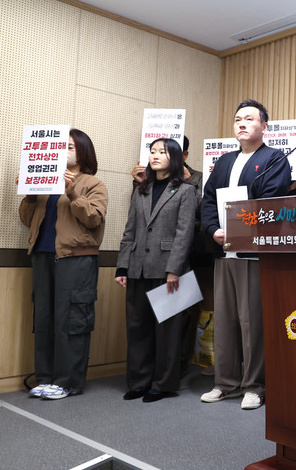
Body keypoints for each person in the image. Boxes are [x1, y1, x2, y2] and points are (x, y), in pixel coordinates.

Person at [199, 99, 290, 410]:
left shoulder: (274, 158)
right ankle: (225, 383)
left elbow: (271, 202)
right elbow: (208, 200)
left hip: (254, 253)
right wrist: (214, 229)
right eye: (238, 118)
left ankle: (255, 385)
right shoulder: (225, 161)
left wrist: (238, 229)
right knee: (225, 320)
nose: (241, 123)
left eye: (249, 119)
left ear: (264, 126)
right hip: (224, 251)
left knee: (252, 321)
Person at [19, 129, 108, 400]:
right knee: (44, 318)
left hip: (76, 258)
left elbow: (93, 219)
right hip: (43, 255)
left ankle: (67, 382)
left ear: (83, 152)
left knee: (72, 320)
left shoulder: (93, 183)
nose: (63, 150)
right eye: (61, 146)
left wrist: (72, 193)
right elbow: (26, 220)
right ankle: (45, 378)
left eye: (69, 146)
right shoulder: (46, 181)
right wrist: (30, 194)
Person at [115, 138, 197, 403]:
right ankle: (139, 381)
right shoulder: (141, 190)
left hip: (167, 269)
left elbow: (184, 234)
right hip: (138, 266)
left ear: (176, 157)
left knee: (167, 331)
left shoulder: (185, 191)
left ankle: (162, 384)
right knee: (137, 328)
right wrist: (122, 266)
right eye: (152, 151)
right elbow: (129, 231)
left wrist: (174, 269)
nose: (155, 155)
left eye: (162, 151)